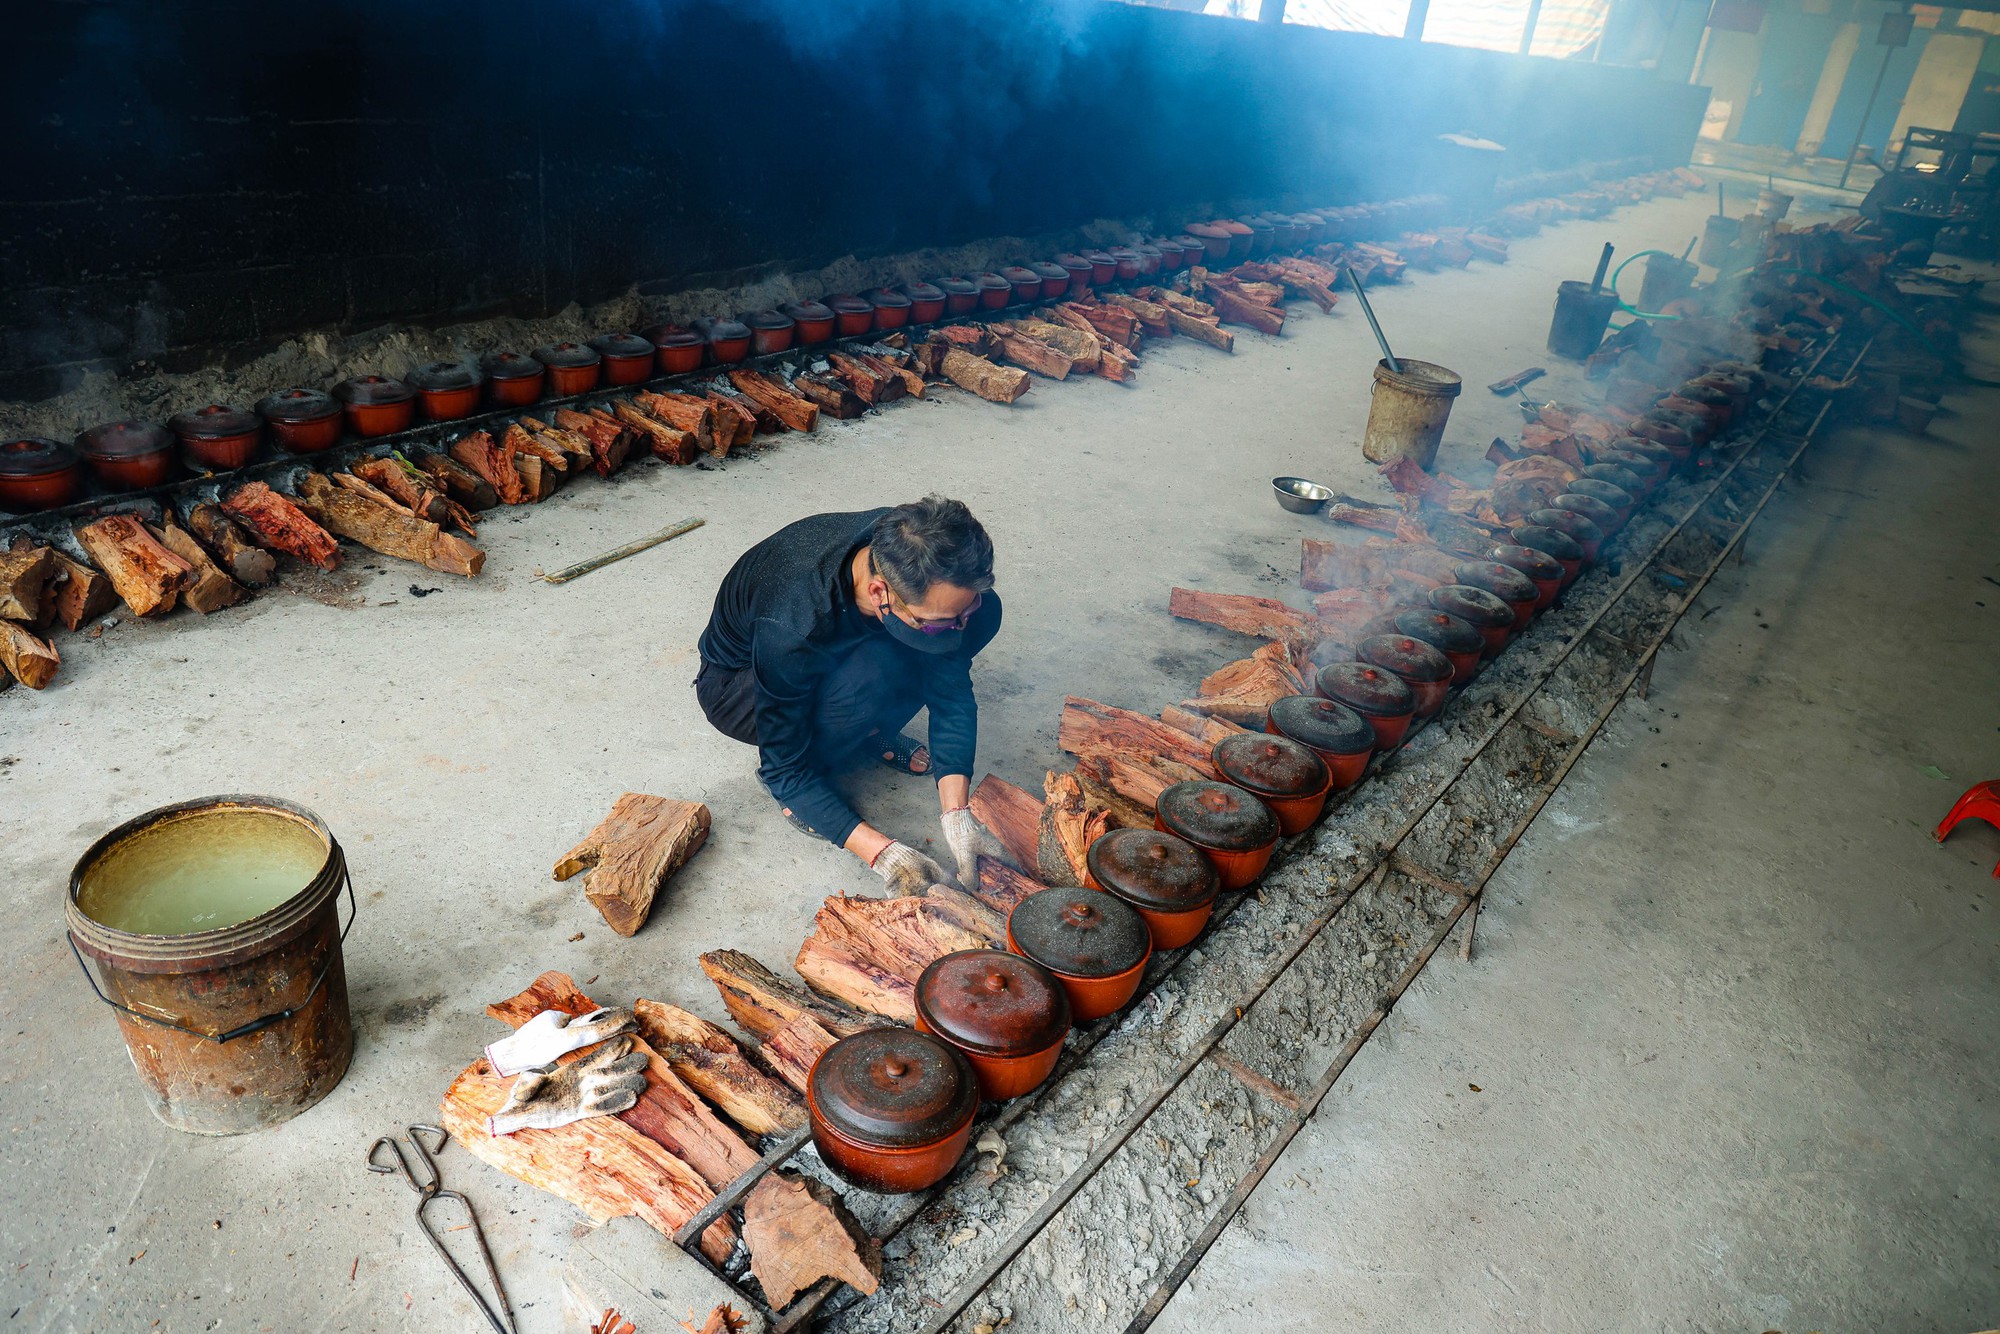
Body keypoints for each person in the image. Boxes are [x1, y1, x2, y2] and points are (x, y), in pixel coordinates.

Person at [695, 496, 1021, 894]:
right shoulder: (794, 625)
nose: (958, 627)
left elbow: (949, 689)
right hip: (740, 687)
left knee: (980, 616)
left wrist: (958, 816)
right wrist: (885, 854)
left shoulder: (912, 545)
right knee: (866, 680)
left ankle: (867, 729)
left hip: (829, 648)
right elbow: (785, 768)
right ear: (879, 591)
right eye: (938, 623)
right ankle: (813, 772)